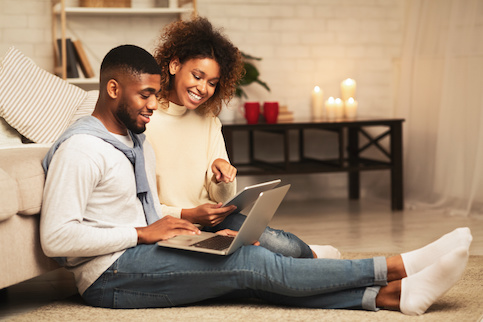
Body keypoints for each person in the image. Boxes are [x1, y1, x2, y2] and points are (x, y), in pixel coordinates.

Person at [40, 44, 472, 315]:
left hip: (142, 253)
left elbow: (148, 212)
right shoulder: (83, 149)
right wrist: (143, 232)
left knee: (250, 261)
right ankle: (398, 267)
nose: (154, 105)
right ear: (113, 89)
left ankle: (392, 298)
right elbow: (56, 239)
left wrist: (182, 231)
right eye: (145, 95)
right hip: (108, 277)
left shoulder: (135, 142)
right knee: (252, 266)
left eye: (156, 93)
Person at [145, 16, 339, 259]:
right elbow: (143, 206)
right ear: (174, 66)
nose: (203, 88)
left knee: (277, 243)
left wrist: (223, 177)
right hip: (170, 224)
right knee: (252, 255)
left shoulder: (209, 121)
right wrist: (189, 214)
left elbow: (222, 199)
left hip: (210, 221)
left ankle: (311, 256)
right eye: (197, 76)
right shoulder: (146, 120)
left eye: (212, 82)